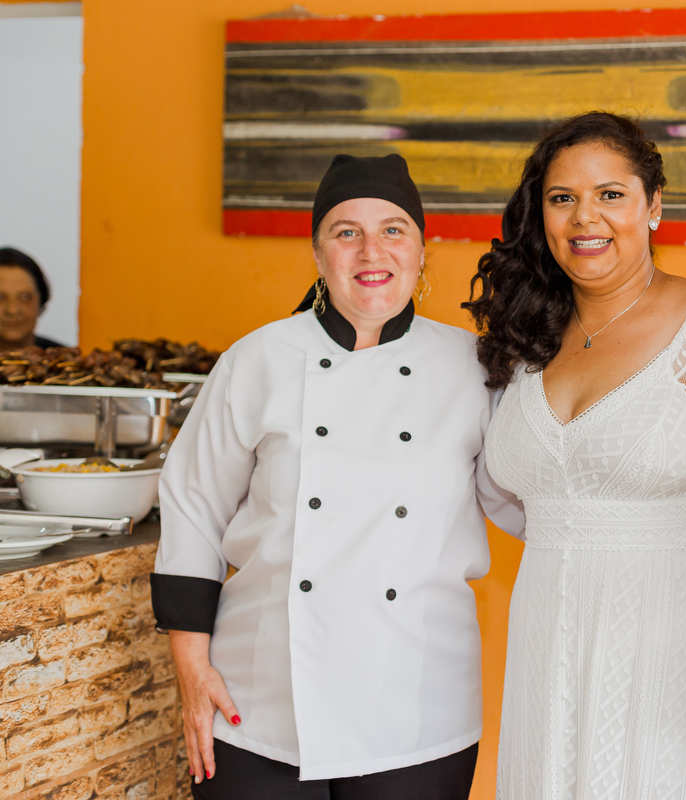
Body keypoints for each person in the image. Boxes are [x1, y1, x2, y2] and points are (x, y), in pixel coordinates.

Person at [152, 153, 523, 799]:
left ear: (421, 251)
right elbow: (192, 508)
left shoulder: (474, 368)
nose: (371, 250)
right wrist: (191, 668)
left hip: (417, 706)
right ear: (318, 253)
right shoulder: (258, 359)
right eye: (346, 232)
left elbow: (520, 496)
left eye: (393, 230)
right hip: (257, 700)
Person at [466, 112, 686, 799]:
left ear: (654, 205)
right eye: (563, 197)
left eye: (611, 194)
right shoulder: (528, 334)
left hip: (672, 654)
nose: (586, 217)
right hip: (545, 648)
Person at [0, 247, 65, 348]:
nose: (12, 310)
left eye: (25, 297)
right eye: (0, 297)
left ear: (41, 301)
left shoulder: (64, 356)